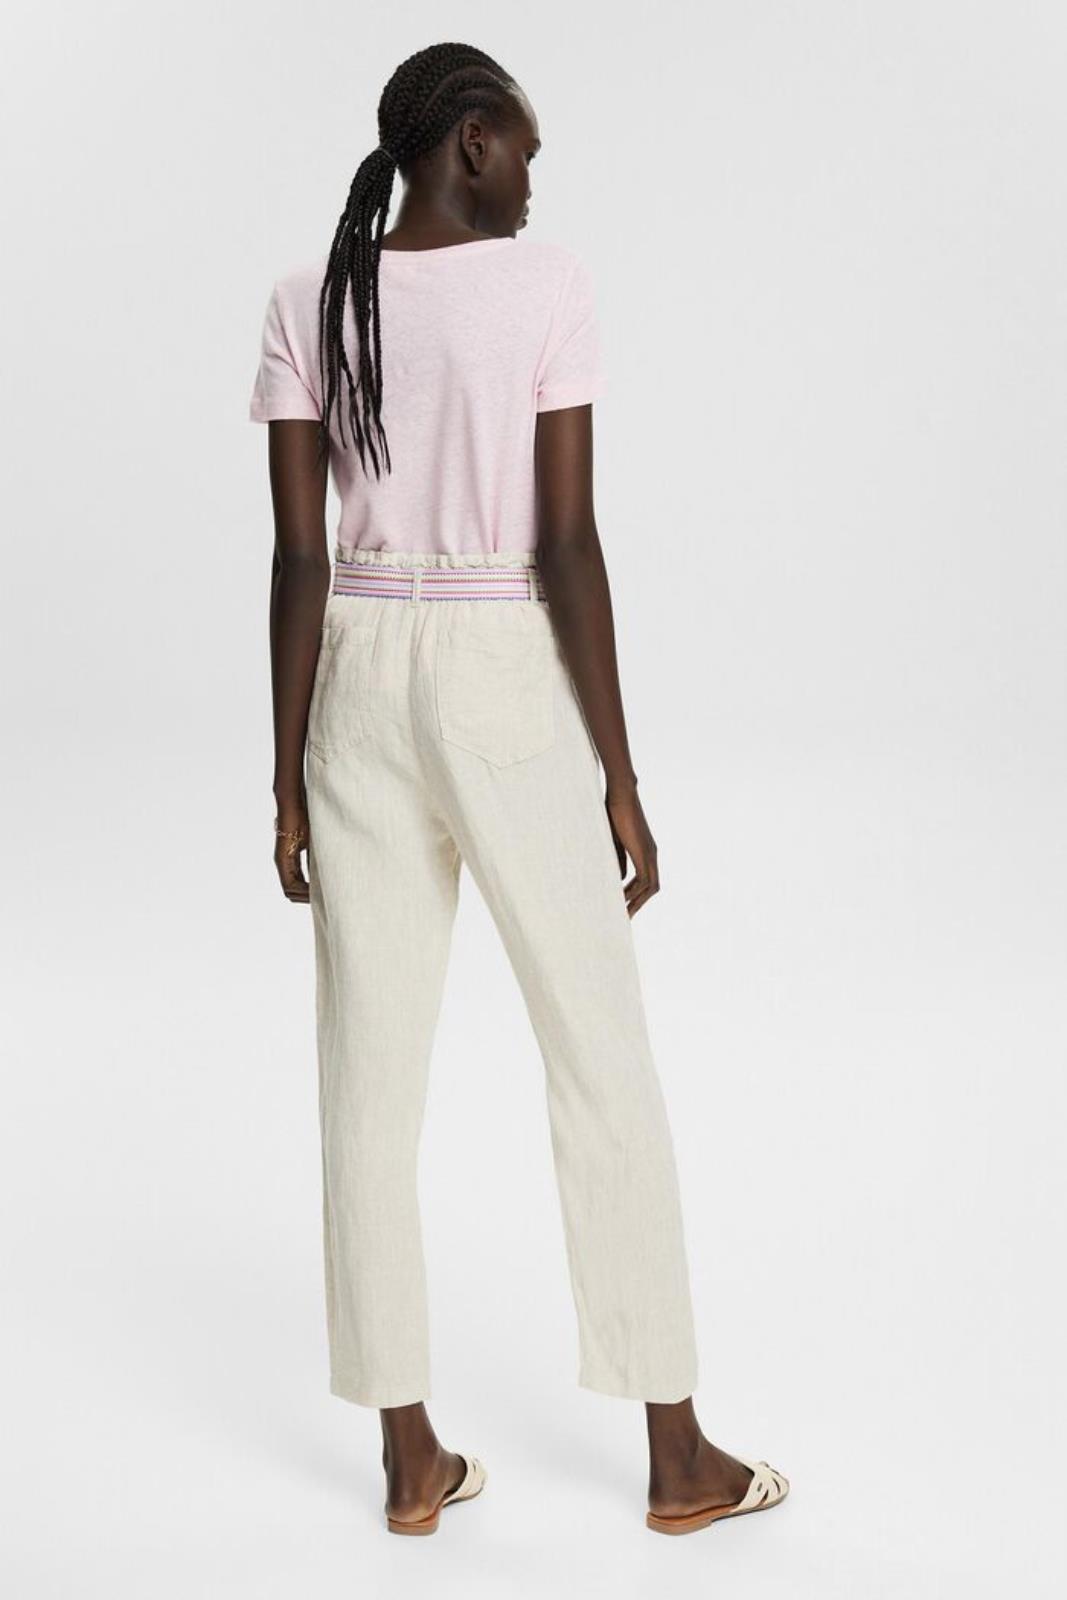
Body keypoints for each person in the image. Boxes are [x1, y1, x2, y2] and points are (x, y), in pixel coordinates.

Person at [249, 40, 788, 1538]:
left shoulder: (309, 299)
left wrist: (286, 775)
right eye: (527, 152)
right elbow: (567, 545)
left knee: (365, 1078)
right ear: (472, 141)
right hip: (498, 661)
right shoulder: (545, 286)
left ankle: (407, 1457)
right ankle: (678, 1458)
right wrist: (622, 775)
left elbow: (298, 558)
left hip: (357, 677)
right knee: (598, 1053)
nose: (536, 183)